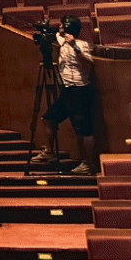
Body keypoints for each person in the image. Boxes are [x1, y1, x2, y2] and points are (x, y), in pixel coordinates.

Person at [42, 15, 97, 175]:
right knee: (48, 118)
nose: (60, 28)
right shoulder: (61, 41)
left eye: (62, 26)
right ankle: (49, 152)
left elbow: (90, 63)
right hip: (66, 91)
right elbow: (54, 34)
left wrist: (75, 47)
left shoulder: (81, 44)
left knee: (84, 129)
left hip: (79, 90)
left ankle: (88, 164)